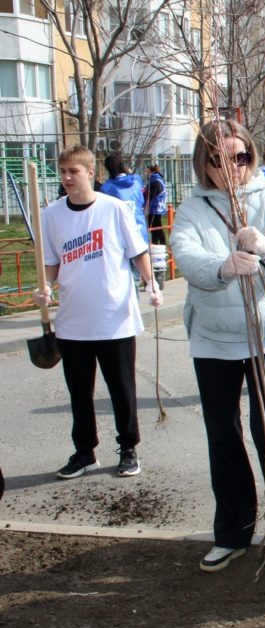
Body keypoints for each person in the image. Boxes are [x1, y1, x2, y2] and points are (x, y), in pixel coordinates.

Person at [169, 120, 265, 573]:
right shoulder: (193, 207)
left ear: (250, 157)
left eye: (239, 156)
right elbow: (184, 254)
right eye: (218, 159)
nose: (231, 167)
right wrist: (222, 266)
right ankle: (233, 531)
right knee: (223, 436)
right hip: (213, 340)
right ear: (204, 163)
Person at [34, 145, 162, 480]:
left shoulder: (114, 209)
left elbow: (138, 251)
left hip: (114, 318)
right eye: (62, 172)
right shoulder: (52, 215)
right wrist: (46, 288)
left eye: (73, 172)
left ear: (91, 173)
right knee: (79, 392)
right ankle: (84, 451)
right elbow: (50, 261)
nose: (66, 178)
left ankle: (128, 447)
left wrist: (151, 283)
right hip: (73, 321)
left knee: (122, 388)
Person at [99, 152, 148, 245]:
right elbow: (141, 199)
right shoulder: (136, 180)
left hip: (119, 233)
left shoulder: (106, 188)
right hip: (139, 228)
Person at [144, 164, 169, 245]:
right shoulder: (157, 180)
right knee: (155, 229)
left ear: (152, 171)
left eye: (147, 172)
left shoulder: (155, 182)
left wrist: (143, 192)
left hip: (155, 208)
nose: (146, 174)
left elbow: (149, 195)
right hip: (157, 208)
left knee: (157, 229)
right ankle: (156, 244)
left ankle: (162, 244)